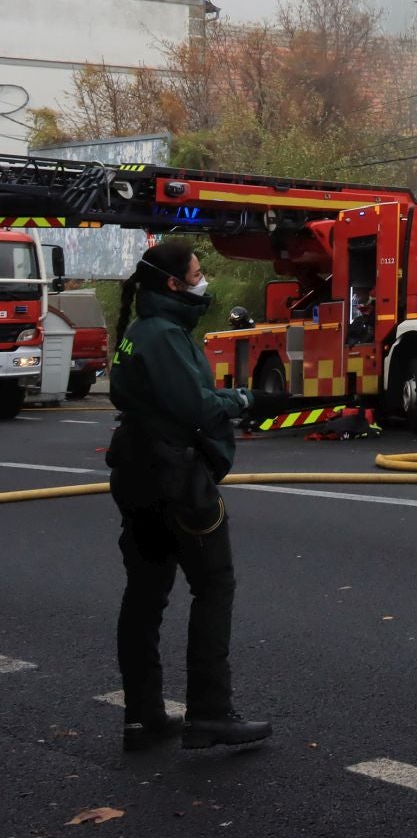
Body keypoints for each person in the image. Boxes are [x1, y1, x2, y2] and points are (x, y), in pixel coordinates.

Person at [106, 240, 273, 752]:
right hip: (175, 478)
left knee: (146, 594)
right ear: (174, 284)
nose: (205, 280)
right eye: (198, 273)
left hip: (138, 475)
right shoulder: (163, 336)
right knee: (214, 585)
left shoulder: (142, 331)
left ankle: (144, 716)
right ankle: (210, 713)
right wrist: (243, 398)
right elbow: (193, 405)